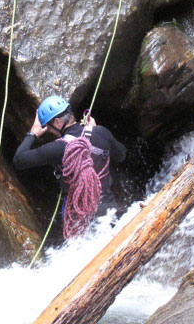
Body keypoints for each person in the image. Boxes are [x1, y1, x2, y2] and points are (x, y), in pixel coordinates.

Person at [13, 96, 126, 236]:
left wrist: (33, 133)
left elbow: (19, 160)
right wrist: (97, 131)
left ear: (57, 122)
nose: (48, 130)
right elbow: (121, 155)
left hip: (82, 218)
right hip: (109, 209)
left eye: (48, 126)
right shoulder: (101, 132)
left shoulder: (58, 148)